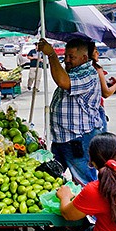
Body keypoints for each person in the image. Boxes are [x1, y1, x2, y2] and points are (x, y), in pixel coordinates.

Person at [40, 37, 105, 185]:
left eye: (71, 57)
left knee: (85, 182)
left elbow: (63, 82)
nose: (67, 60)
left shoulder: (88, 74)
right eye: (65, 56)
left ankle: (89, 201)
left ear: (84, 58)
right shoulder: (73, 72)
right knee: (51, 179)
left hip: (77, 140)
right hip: (61, 139)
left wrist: (52, 55)